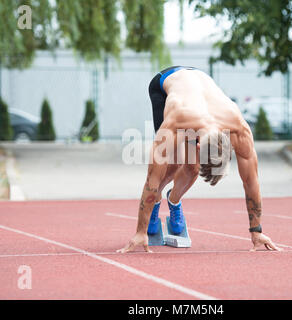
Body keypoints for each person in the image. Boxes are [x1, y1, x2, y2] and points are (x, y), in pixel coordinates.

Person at [117, 66, 281, 253]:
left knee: (193, 169)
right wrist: (140, 231)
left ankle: (174, 201)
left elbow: (251, 181)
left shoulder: (238, 128)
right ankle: (156, 204)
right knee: (173, 164)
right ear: (196, 145)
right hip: (165, 84)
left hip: (199, 82)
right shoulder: (177, 118)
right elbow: (152, 178)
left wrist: (257, 231)